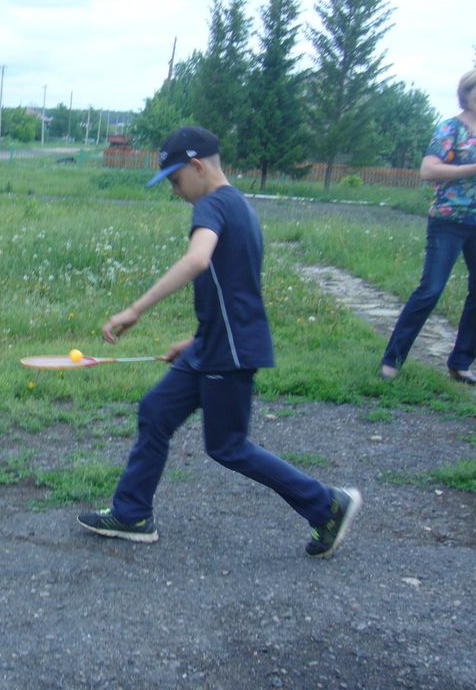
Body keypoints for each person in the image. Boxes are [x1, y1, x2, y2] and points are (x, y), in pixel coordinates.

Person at [77, 127, 362, 558]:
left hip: (229, 350)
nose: (175, 191)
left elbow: (198, 260)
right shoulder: (239, 207)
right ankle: (132, 512)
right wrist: (194, 339)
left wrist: (136, 309)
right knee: (156, 410)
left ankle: (326, 504)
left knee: (228, 446)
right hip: (213, 345)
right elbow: (236, 287)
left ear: (197, 166)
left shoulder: (212, 205)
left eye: (175, 181)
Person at [381, 68, 476, 384]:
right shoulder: (451, 128)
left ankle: (461, 361)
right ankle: (393, 358)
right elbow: (429, 170)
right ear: (467, 93)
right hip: (448, 221)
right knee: (430, 289)